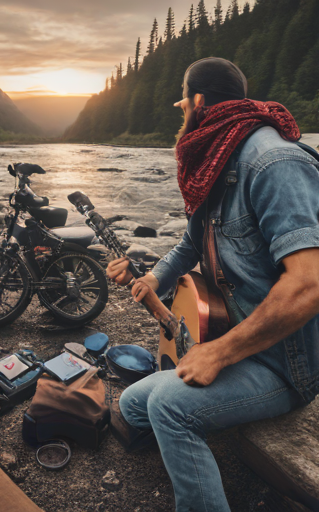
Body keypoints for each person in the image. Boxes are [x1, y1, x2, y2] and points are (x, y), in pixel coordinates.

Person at [106, 57, 319, 512]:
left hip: (284, 360)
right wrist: (152, 277)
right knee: (132, 405)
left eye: (183, 101)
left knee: (167, 408)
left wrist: (219, 353)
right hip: (237, 337)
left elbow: (308, 285)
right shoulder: (217, 161)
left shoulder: (273, 161)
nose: (181, 110)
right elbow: (189, 243)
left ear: (199, 102)